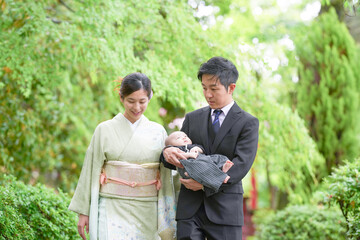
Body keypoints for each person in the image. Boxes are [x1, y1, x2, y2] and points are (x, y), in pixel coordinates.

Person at [69, 73, 176, 240]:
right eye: (131, 101)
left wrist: (168, 217)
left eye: (142, 102)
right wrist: (84, 211)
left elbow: (166, 176)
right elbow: (90, 170)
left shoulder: (158, 132)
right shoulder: (104, 130)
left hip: (147, 209)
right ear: (121, 98)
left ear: (150, 97)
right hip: (111, 207)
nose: (137, 107)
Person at [161, 57, 259, 240]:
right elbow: (180, 150)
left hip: (225, 211)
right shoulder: (192, 118)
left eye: (214, 89)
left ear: (231, 88)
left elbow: (240, 166)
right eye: (204, 88)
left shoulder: (248, 123)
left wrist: (205, 185)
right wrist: (166, 154)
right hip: (190, 211)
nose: (208, 95)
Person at [165, 131, 234, 193]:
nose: (184, 138)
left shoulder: (192, 146)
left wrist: (196, 149)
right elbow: (178, 157)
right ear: (171, 145)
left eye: (185, 136)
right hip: (189, 168)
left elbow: (202, 149)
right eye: (178, 138)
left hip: (203, 161)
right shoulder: (177, 149)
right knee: (199, 166)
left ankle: (222, 167)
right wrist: (189, 154)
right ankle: (221, 177)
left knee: (217, 157)